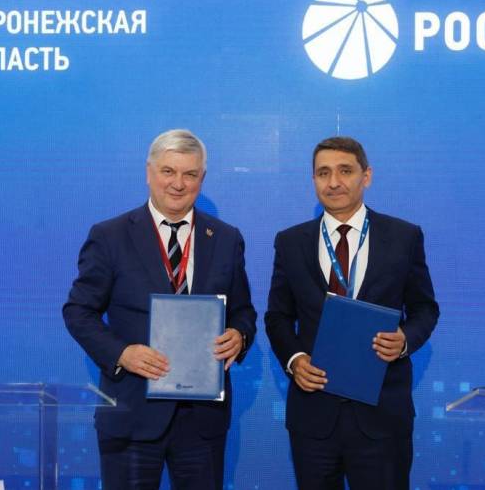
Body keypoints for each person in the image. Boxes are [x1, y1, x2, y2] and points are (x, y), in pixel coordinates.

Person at [63, 129, 257, 490]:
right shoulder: (110, 236)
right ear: (149, 172)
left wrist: (239, 336)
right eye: (168, 171)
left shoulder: (226, 238)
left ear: (202, 178)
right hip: (132, 413)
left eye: (189, 174)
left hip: (202, 421)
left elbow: (243, 312)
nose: (178, 184)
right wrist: (122, 353)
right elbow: (78, 311)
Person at [264, 136, 439, 489]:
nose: (334, 182)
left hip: (382, 416)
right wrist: (295, 359)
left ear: (366, 176)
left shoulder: (404, 236)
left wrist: (405, 339)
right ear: (313, 179)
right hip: (313, 416)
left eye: (345, 171)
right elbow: (277, 317)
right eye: (323, 173)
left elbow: (424, 308)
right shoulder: (290, 242)